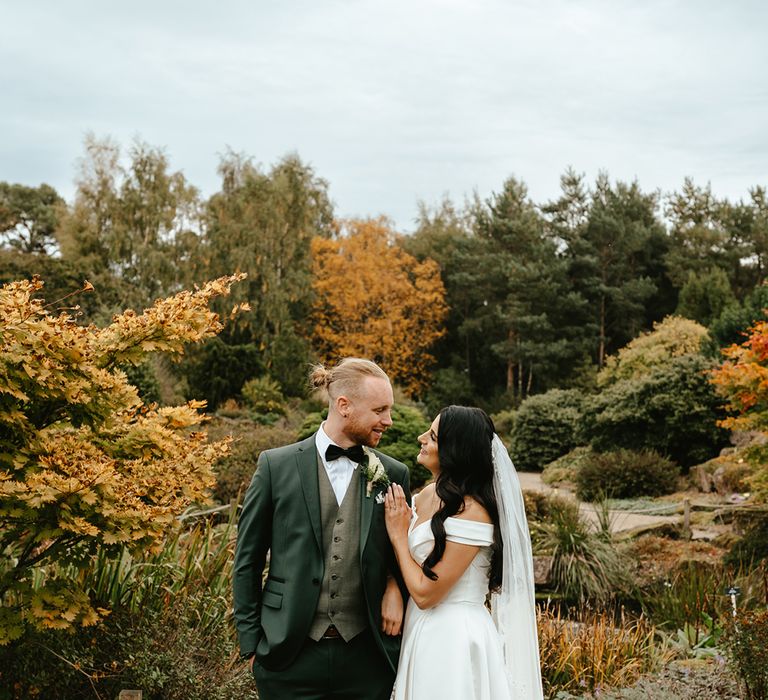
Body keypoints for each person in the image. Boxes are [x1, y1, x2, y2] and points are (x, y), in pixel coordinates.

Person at [233, 357, 411, 700]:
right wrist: (251, 644)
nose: (388, 420)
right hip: (288, 657)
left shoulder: (394, 473)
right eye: (380, 410)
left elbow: (403, 548)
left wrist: (394, 586)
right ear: (344, 405)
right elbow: (247, 561)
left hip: (366, 660)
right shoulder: (275, 466)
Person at [384, 405, 543, 700]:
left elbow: (425, 594)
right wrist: (391, 584)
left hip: (454, 638)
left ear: (454, 451)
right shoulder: (427, 495)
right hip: (419, 627)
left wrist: (397, 535)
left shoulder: (474, 513)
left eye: (431, 436)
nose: (421, 438)